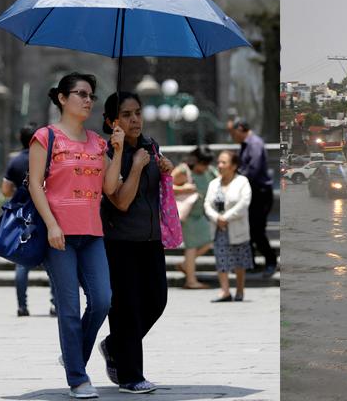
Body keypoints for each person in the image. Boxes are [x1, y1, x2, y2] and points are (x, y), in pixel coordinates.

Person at [28, 73, 124, 399]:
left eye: (91, 96)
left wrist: (119, 150)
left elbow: (110, 188)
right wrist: (52, 225)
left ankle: (72, 356)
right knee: (68, 308)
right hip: (60, 237)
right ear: (62, 99)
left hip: (92, 233)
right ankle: (77, 378)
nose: (87, 100)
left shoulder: (99, 142)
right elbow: (34, 184)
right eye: (80, 94)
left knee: (102, 300)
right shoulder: (45, 137)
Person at [98, 91, 174, 394]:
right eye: (126, 115)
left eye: (138, 113)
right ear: (111, 121)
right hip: (120, 241)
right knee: (126, 309)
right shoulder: (106, 153)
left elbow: (156, 189)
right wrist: (137, 166)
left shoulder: (150, 145)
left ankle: (114, 345)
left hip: (150, 238)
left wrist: (165, 167)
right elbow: (121, 201)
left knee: (157, 300)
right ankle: (130, 376)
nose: (134, 120)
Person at [1, 122, 56, 317]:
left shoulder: (15, 162)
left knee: (22, 262)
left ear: (20, 139)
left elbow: (6, 190)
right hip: (46, 213)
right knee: (53, 261)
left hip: (23, 217)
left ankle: (22, 306)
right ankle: (55, 304)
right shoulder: (48, 159)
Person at [228, 118, 277, 277]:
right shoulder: (245, 145)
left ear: (241, 128)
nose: (232, 137)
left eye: (233, 133)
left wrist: (235, 179)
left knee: (257, 230)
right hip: (251, 192)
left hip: (260, 193)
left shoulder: (254, 144)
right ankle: (250, 264)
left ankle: (271, 261)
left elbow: (253, 169)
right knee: (248, 229)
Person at [205, 150, 253, 302]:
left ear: (233, 166)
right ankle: (225, 291)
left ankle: (240, 290)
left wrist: (225, 217)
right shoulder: (213, 183)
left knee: (239, 260)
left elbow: (244, 203)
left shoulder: (242, 182)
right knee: (221, 259)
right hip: (219, 228)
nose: (220, 165)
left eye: (224, 162)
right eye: (219, 162)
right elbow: (207, 204)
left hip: (236, 227)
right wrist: (216, 218)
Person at [172, 146, 216, 289]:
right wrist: (184, 189)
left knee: (209, 241)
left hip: (200, 214)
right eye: (203, 163)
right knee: (191, 246)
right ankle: (191, 281)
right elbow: (166, 186)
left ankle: (186, 265)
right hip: (187, 215)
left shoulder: (209, 171)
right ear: (195, 160)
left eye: (206, 164)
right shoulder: (184, 170)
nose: (204, 167)